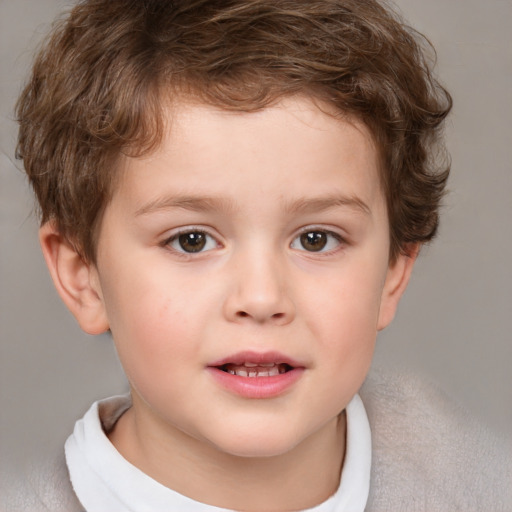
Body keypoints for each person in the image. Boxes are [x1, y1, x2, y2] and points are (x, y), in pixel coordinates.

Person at [9, 0, 511, 510]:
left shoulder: (480, 482)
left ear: (392, 273)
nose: (262, 297)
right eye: (192, 240)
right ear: (83, 277)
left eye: (316, 239)